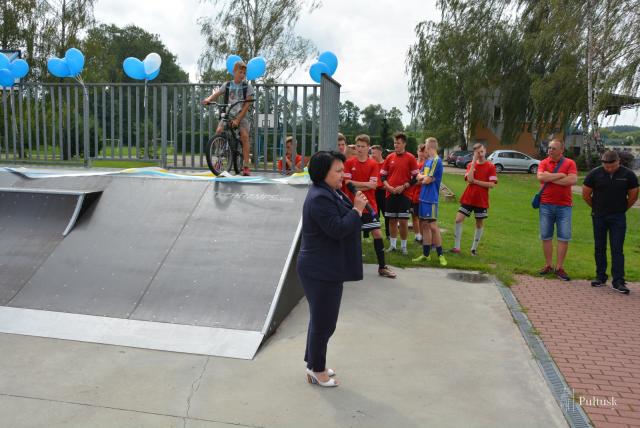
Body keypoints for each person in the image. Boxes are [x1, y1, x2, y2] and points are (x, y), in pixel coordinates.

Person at [297, 150, 367, 387]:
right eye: (337, 170)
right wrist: (357, 210)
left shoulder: (330, 192)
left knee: (321, 321)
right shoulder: (320, 197)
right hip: (319, 270)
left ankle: (313, 363)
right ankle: (317, 370)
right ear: (322, 173)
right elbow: (337, 229)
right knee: (324, 323)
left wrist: (356, 207)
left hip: (325, 267)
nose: (342, 174)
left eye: (342, 170)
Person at [582, 150, 639, 293]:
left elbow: (633, 195)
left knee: (617, 248)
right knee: (599, 247)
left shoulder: (628, 175)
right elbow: (586, 194)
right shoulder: (594, 174)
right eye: (606, 166)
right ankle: (600, 276)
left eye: (612, 166)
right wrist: (596, 208)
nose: (609, 169)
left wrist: (622, 209)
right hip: (599, 216)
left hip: (618, 217)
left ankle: (618, 280)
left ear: (618, 161)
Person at [344, 134, 397, 278]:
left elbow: (373, 185)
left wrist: (357, 185)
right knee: (351, 236)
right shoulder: (349, 162)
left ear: (368, 147)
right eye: (358, 146)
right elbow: (347, 183)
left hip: (369, 205)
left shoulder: (373, 164)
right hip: (352, 205)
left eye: (363, 146)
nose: (360, 149)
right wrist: (365, 184)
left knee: (377, 233)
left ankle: (382, 267)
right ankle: (348, 267)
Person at [202, 61, 254, 176]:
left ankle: (246, 166)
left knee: (244, 136)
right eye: (240, 72)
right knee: (219, 131)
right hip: (228, 113)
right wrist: (208, 99)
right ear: (234, 72)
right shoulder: (227, 85)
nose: (242, 75)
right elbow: (217, 93)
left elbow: (247, 105)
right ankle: (220, 159)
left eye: (244, 73)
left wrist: (238, 119)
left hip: (241, 115)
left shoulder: (247, 87)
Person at [536, 138, 577, 281]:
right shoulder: (543, 162)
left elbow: (572, 180)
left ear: (561, 150)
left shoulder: (570, 163)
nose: (550, 150)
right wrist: (560, 175)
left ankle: (559, 267)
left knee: (563, 237)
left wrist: (550, 177)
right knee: (546, 236)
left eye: (553, 148)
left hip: (564, 206)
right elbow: (540, 177)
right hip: (545, 205)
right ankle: (548, 265)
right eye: (549, 147)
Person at [451, 142, 497, 256]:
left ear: (485, 151)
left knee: (479, 223)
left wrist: (476, 181)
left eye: (481, 152)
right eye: (477, 153)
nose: (480, 154)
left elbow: (491, 185)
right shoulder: (470, 165)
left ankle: (473, 249)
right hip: (468, 198)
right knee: (458, 220)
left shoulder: (491, 166)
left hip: (481, 200)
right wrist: (473, 163)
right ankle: (457, 247)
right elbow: (469, 180)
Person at [380, 132, 420, 255]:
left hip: (405, 194)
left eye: (398, 143)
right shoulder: (389, 157)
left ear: (404, 144)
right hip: (390, 193)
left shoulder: (411, 158)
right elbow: (382, 176)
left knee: (403, 221)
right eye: (394, 143)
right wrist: (388, 187)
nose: (395, 145)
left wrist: (404, 186)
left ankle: (403, 246)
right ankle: (393, 245)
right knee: (392, 220)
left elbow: (416, 177)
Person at [413, 137, 447, 266]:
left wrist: (424, 178)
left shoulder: (436, 161)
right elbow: (419, 177)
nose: (424, 149)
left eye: (426, 146)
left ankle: (440, 255)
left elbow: (427, 180)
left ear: (429, 147)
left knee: (433, 226)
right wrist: (424, 177)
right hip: (422, 197)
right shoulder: (428, 161)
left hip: (431, 199)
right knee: (425, 226)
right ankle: (426, 255)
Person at [371, 145, 390, 240]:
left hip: (384, 192)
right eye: (371, 153)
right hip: (374, 192)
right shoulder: (371, 164)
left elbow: (391, 176)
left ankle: (388, 234)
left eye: (374, 153)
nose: (372, 155)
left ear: (380, 152)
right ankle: (377, 235)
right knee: (375, 214)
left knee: (387, 214)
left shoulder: (386, 163)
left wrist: (387, 185)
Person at [409, 144, 427, 243]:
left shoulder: (426, 164)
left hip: (421, 194)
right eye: (420, 151)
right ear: (417, 151)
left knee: (421, 217)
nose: (421, 153)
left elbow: (424, 180)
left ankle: (424, 236)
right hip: (411, 194)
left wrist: (410, 183)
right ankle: (417, 236)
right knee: (414, 216)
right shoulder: (414, 163)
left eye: (423, 151)